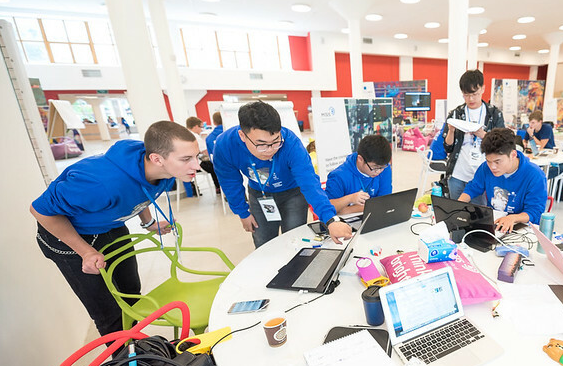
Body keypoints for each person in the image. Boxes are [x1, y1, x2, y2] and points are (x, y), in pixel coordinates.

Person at [30, 121, 200, 336]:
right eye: (186, 159)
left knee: (131, 295)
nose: (197, 165)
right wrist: (86, 252)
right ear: (157, 159)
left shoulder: (160, 169)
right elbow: (40, 211)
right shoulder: (100, 184)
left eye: (196, 156)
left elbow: (140, 190)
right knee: (109, 314)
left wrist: (149, 223)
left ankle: (138, 347)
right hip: (67, 236)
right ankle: (127, 355)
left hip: (110, 224)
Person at [212, 101, 351, 247]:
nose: (270, 150)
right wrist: (242, 212)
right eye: (261, 144)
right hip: (260, 193)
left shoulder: (291, 143)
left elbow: (310, 183)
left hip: (293, 193)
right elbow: (229, 181)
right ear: (242, 135)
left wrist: (330, 220)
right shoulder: (225, 144)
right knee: (263, 242)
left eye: (275, 142)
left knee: (294, 240)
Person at [458, 128, 547, 231]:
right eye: (488, 161)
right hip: (495, 225)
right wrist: (458, 206)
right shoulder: (485, 168)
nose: (492, 167)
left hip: (522, 228)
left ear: (513, 155)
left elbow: (535, 212)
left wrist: (512, 218)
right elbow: (473, 187)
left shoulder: (535, 175)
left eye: (497, 162)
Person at [441, 69, 505, 203]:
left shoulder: (494, 114)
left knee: (480, 213)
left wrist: (483, 135)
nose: (470, 99)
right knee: (456, 210)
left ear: (483, 89)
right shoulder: (456, 114)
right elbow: (447, 147)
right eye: (466, 95)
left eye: (474, 94)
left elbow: (502, 145)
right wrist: (451, 131)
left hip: (484, 175)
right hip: (458, 174)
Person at [325, 134, 393, 214]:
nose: (378, 172)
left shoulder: (384, 168)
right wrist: (350, 199)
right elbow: (327, 207)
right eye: (375, 168)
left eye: (382, 167)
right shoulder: (338, 176)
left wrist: (349, 209)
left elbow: (384, 202)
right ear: (360, 159)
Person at [186, 116, 220, 194]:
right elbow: (206, 152)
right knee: (216, 165)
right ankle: (219, 187)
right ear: (195, 126)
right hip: (197, 164)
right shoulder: (195, 137)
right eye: (201, 127)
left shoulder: (185, 135)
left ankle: (218, 187)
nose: (201, 130)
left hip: (188, 164)